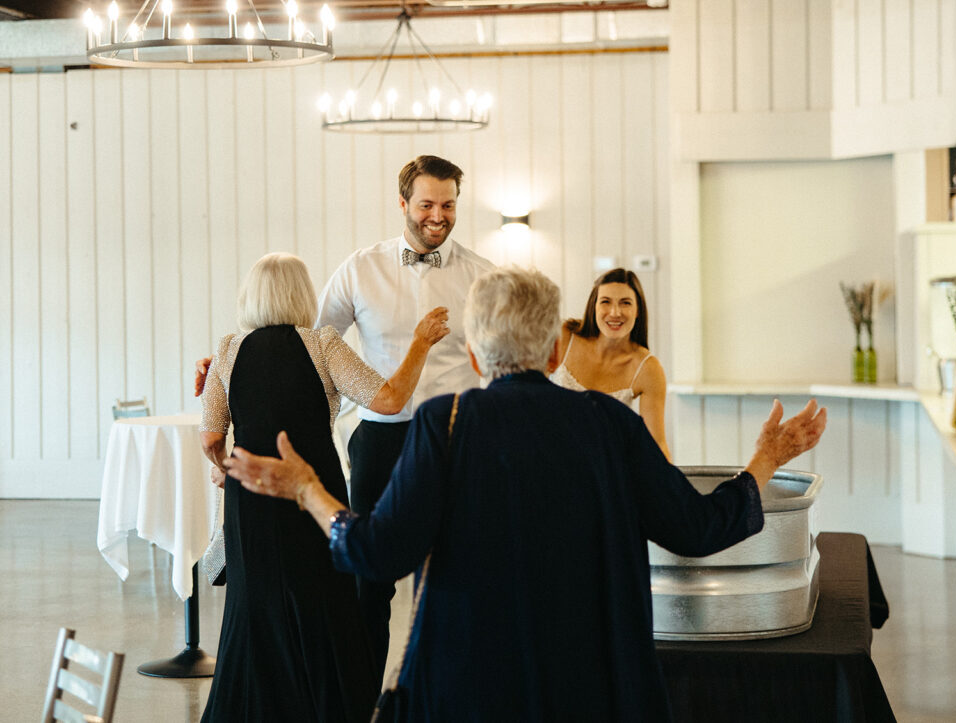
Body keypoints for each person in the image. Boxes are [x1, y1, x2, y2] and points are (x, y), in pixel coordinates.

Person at [223, 265, 828, 722]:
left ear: (476, 355)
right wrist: (765, 459)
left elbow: (375, 553)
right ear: (556, 349)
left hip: (467, 687)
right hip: (595, 689)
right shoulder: (610, 425)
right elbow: (698, 529)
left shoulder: (445, 424)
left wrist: (308, 491)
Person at [198, 252, 449, 723]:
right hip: (311, 497)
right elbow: (391, 400)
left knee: (252, 606)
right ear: (302, 295)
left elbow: (211, 436)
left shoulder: (228, 351)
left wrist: (229, 467)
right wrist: (419, 343)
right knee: (322, 602)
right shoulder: (322, 345)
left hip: (250, 500)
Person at [313, 153, 494, 683]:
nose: (437, 216)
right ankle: (364, 693)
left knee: (455, 568)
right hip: (379, 439)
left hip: (457, 439)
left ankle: (450, 689)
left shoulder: (483, 277)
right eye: (426, 205)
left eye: (448, 205)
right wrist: (231, 365)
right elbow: (314, 346)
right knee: (370, 573)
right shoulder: (359, 268)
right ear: (402, 204)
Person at [551, 267, 671, 458]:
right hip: (550, 457)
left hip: (606, 468)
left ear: (637, 310)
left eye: (625, 303)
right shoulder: (564, 336)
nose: (615, 312)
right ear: (594, 307)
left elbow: (657, 446)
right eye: (605, 302)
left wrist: (670, 485)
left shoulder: (647, 368)